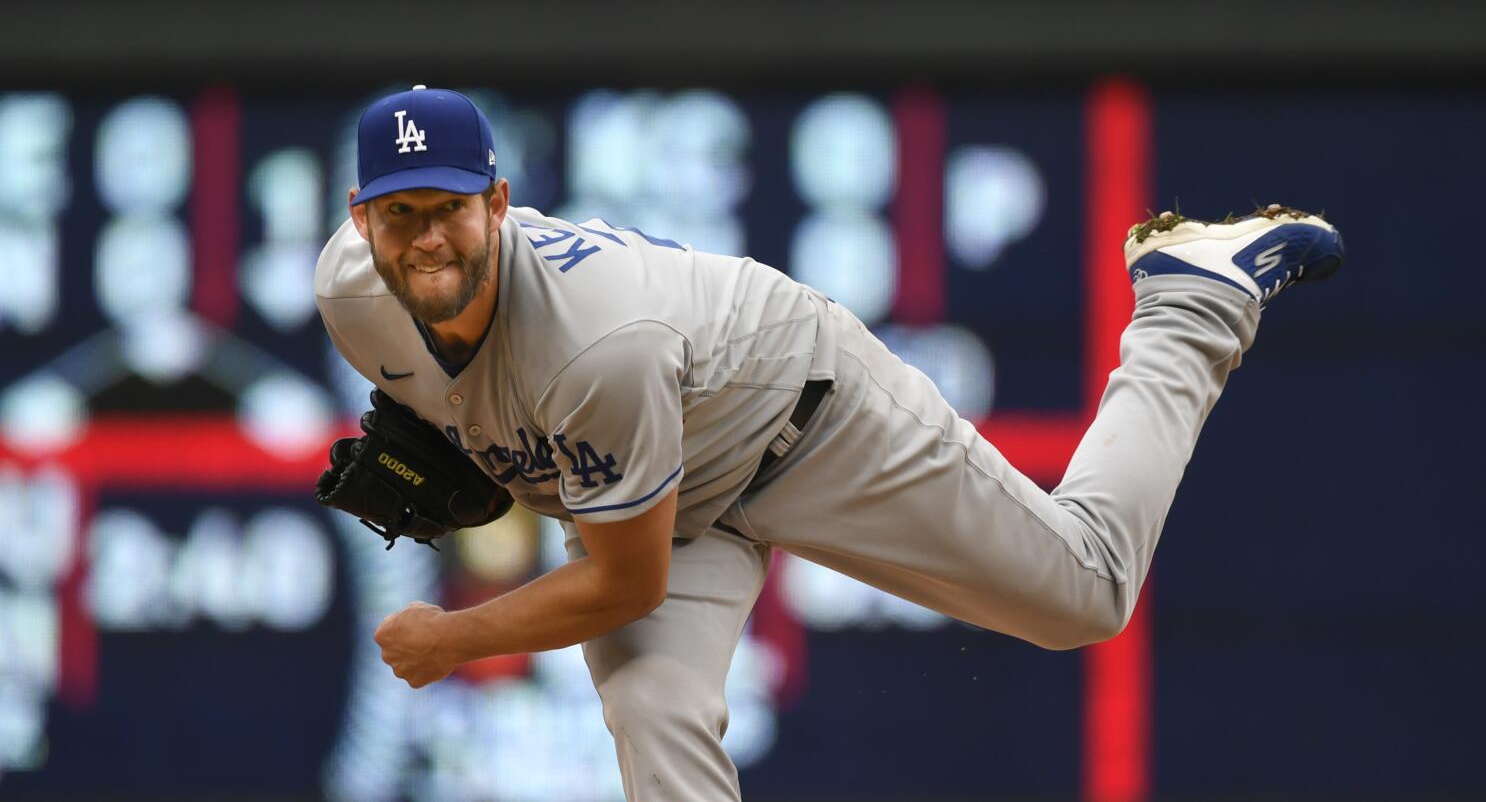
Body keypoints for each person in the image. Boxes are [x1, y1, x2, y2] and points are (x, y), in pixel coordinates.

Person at [314, 85, 1344, 801]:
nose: (426, 235)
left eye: (448, 207)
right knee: (653, 713)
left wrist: (452, 637)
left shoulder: (596, 343)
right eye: (398, 214)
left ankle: (1192, 298)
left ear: (499, 203)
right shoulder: (349, 297)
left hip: (799, 414)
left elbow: (623, 585)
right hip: (666, 488)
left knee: (1084, 591)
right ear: (361, 221)